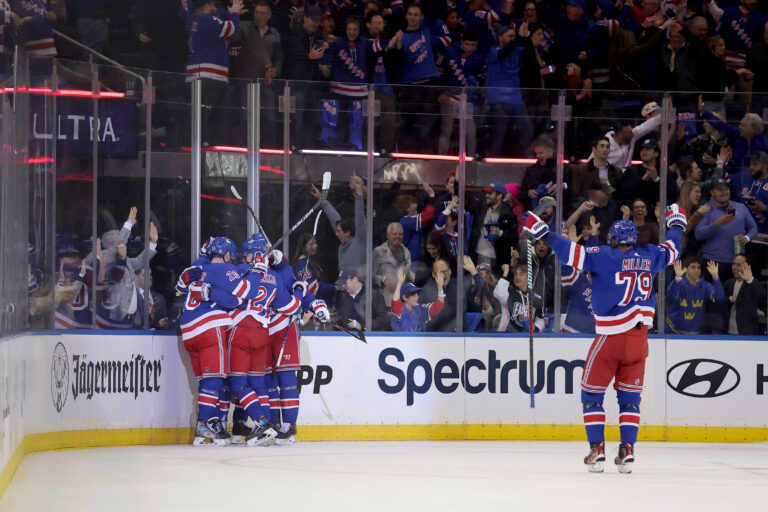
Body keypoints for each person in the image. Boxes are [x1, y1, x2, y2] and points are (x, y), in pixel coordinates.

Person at [523, 202, 687, 473]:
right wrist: (677, 225)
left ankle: (596, 449)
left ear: (613, 239)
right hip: (640, 341)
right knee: (630, 399)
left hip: (611, 337)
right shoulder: (650, 255)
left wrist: (543, 232)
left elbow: (569, 253)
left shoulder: (603, 255)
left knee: (591, 393)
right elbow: (673, 248)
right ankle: (627, 451)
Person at [175, 236, 251, 446]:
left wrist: (209, 292)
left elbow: (179, 289)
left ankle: (210, 424)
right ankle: (204, 424)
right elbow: (239, 296)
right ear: (226, 254)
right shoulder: (224, 269)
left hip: (188, 330)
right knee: (215, 379)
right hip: (209, 327)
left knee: (206, 381)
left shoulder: (198, 267)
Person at [694, 179, 758, 283]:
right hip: (713, 263)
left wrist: (747, 237)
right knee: (714, 298)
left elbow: (753, 228)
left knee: (736, 297)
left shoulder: (741, 208)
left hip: (737, 263)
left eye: (726, 189)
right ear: (712, 192)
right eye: (720, 190)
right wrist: (716, 224)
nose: (724, 192)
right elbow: (698, 235)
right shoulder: (706, 209)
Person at [715, 255, 766, 335]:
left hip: (748, 333)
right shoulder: (728, 284)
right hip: (729, 332)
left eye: (738, 265)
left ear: (747, 267)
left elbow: (762, 297)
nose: (734, 267)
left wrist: (750, 280)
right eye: (733, 264)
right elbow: (719, 304)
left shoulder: (754, 283)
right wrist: (730, 299)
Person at [391, 266, 445, 331]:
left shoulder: (420, 309)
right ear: (405, 297)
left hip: (419, 341)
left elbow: (438, 306)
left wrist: (440, 287)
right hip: (402, 341)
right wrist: (399, 283)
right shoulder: (399, 311)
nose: (417, 296)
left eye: (417, 294)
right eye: (413, 294)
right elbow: (395, 302)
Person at [373, 222, 413, 306]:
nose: (397, 236)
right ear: (388, 235)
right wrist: (383, 279)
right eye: (394, 234)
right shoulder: (378, 251)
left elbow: (409, 276)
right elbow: (368, 275)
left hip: (402, 303)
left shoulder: (407, 252)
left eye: (400, 234)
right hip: (384, 304)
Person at [337, 267, 390, 331]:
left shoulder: (374, 295)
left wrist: (363, 326)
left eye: (345, 283)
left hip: (370, 338)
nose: (343, 286)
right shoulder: (343, 297)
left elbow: (384, 320)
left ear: (355, 279)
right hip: (348, 338)